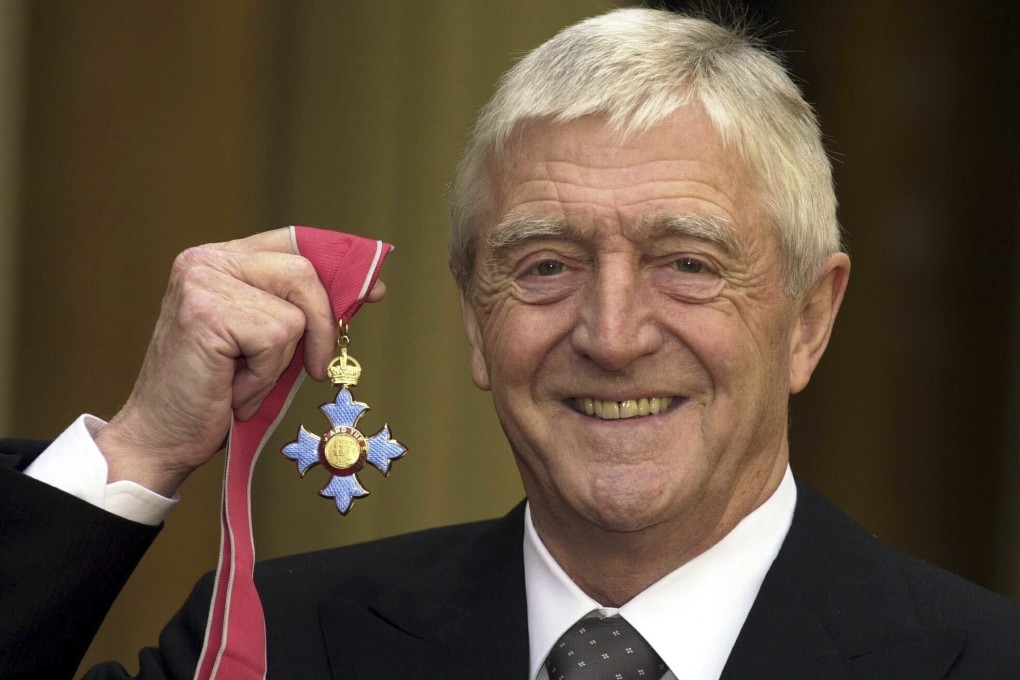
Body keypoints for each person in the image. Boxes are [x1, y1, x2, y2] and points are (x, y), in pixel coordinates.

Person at [2, 7, 1018, 680]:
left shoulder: (977, 658)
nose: (612, 334)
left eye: (688, 262)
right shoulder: (291, 641)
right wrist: (138, 451)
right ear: (474, 320)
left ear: (809, 317)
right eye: (544, 264)